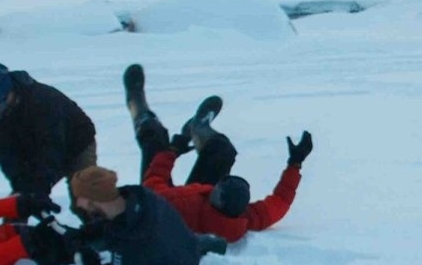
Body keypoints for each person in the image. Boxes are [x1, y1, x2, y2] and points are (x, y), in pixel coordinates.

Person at [123, 63, 312, 243]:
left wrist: (172, 151)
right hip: (198, 201)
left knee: (155, 144)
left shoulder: (176, 206)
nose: (215, 186)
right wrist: (295, 163)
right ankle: (199, 129)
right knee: (223, 152)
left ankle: (137, 106)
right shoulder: (241, 218)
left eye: (218, 188)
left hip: (157, 207)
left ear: (216, 197)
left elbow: (154, 180)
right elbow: (279, 202)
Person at [68, 165, 217, 265]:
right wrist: (85, 234)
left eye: (79, 198)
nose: (78, 204)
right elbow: (115, 223)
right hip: (186, 248)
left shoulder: (132, 239)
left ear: (94, 199)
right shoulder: (140, 196)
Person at [0, 63, 97, 200]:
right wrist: (20, 184)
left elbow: (52, 146)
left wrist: (41, 186)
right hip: (37, 148)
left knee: (85, 199)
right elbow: (3, 150)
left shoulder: (43, 101)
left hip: (77, 144)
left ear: (7, 93)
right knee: (18, 204)